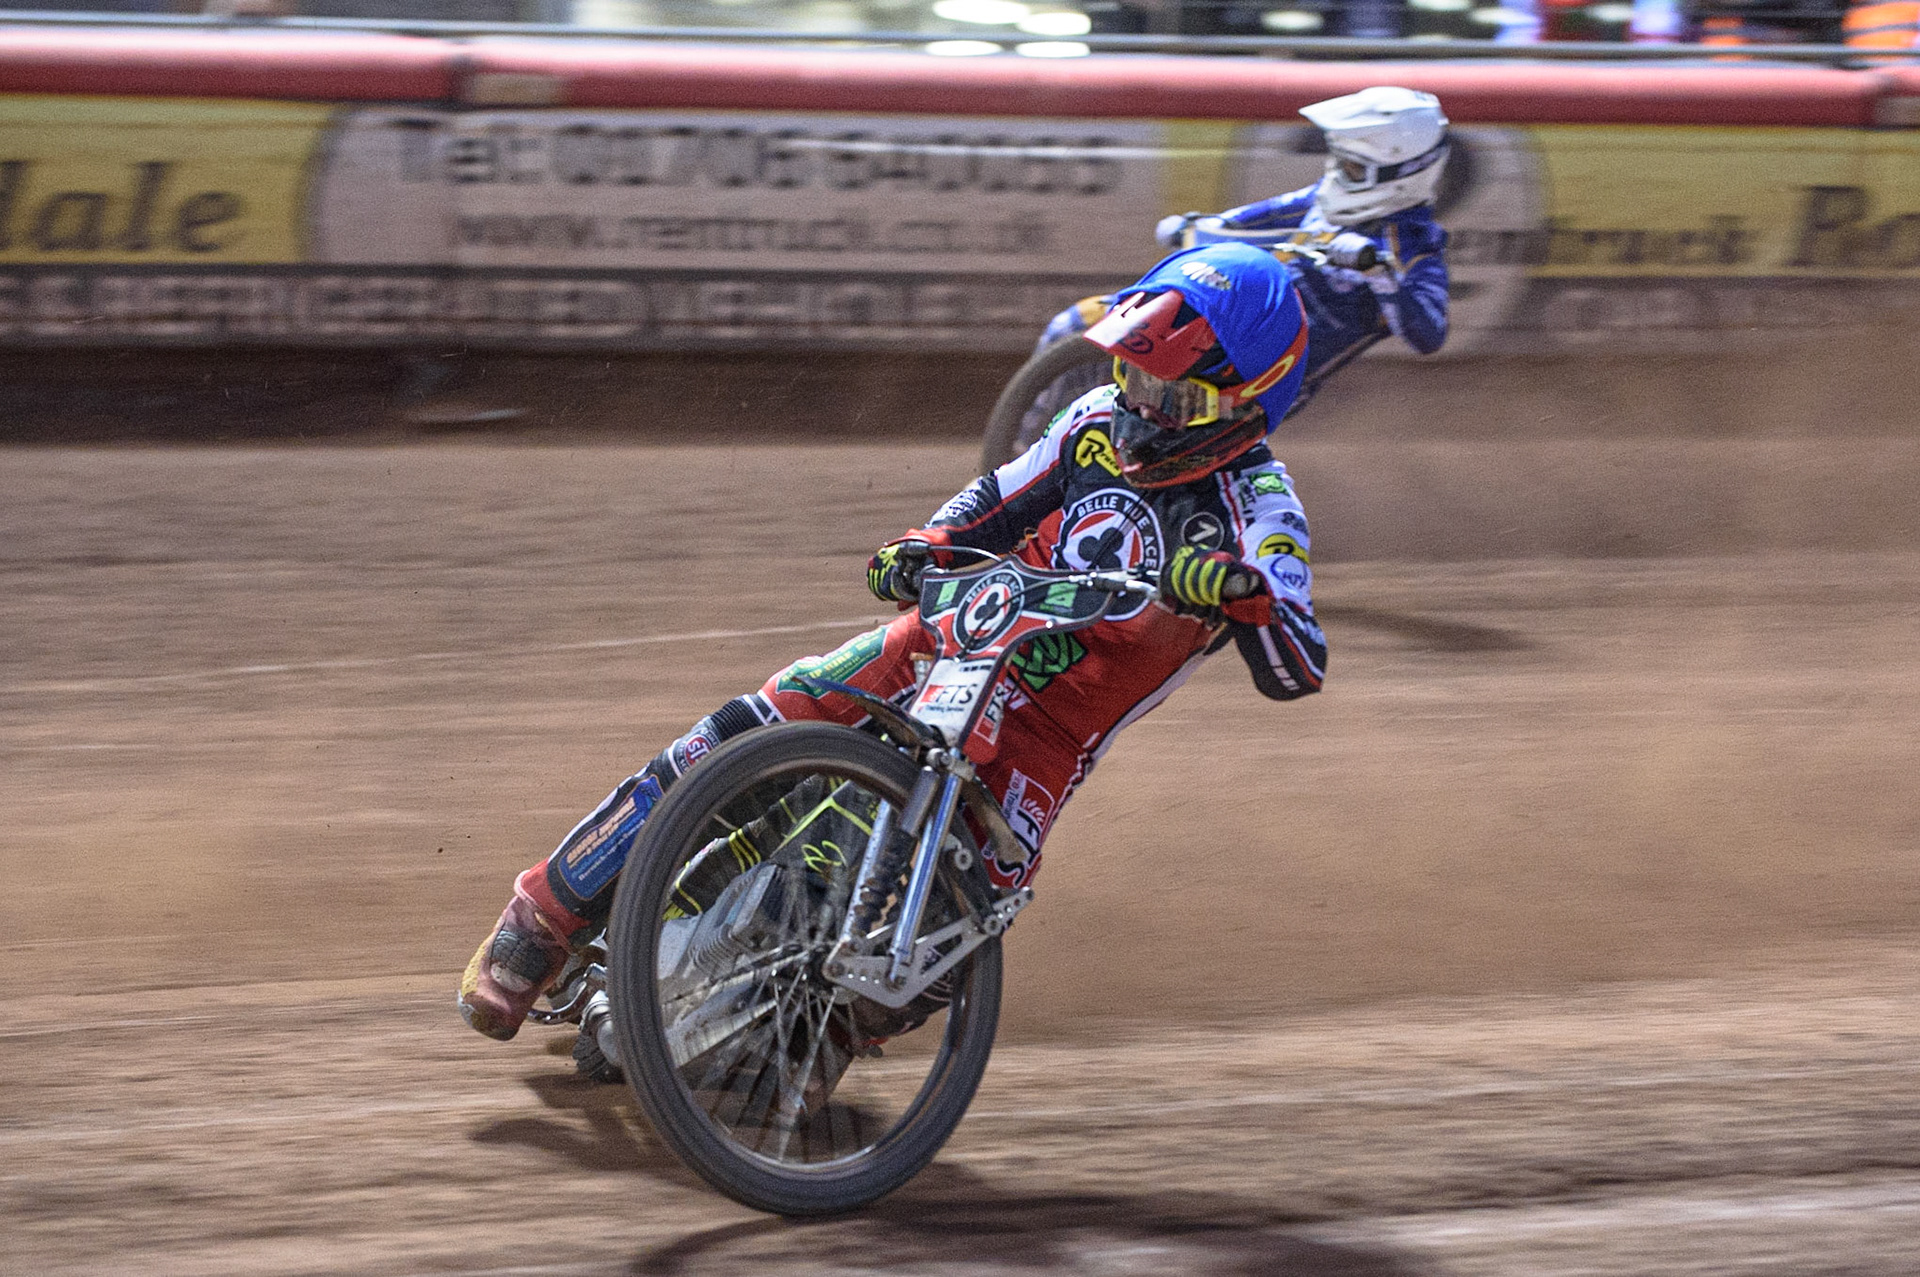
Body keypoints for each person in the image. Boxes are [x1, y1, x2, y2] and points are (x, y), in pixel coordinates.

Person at [458, 240, 1329, 1043]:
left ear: (1247, 403)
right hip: (943, 640)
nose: (1140, 406)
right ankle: (541, 918)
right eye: (1131, 375)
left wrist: (1242, 594)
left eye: (1170, 396)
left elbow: (1300, 660)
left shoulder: (1261, 508)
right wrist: (925, 544)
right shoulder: (1094, 421)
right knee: (742, 728)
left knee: (953, 935)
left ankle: (794, 1053)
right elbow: (994, 500)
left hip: (1043, 736)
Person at [1030, 85, 1450, 432]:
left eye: (1353, 169)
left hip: (1259, 381)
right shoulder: (1325, 199)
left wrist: (1378, 273)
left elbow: (1429, 335)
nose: (1337, 174)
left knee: (1154, 427)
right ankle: (1025, 447)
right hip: (1215, 324)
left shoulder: (1417, 246)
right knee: (1071, 325)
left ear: (1403, 176)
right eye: (1339, 161)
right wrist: (1201, 225)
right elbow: (1262, 214)